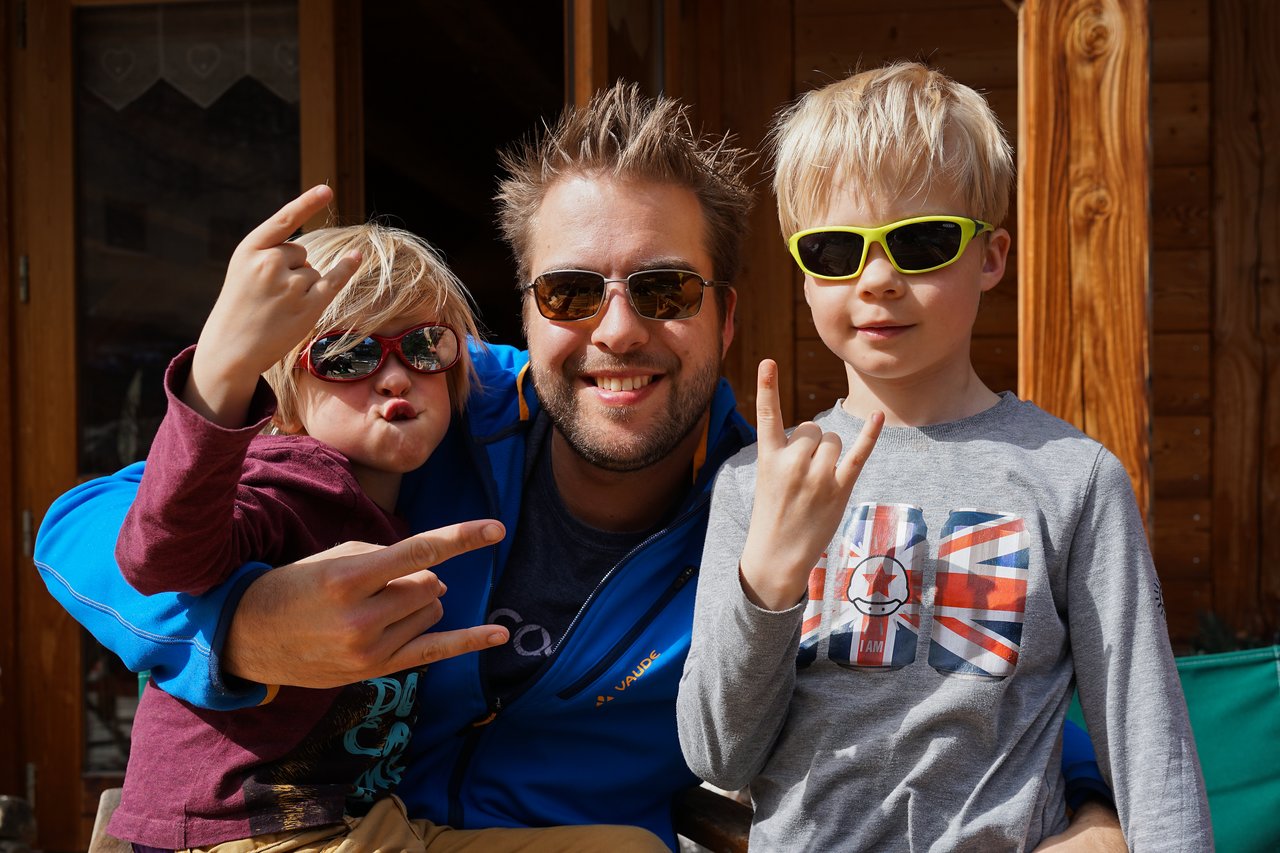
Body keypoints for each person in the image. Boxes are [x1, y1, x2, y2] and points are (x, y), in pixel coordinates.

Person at [35, 83, 1123, 851]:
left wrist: (1083, 808)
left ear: (724, 311)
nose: (615, 332)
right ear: (523, 313)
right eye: (569, 293)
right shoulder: (424, 402)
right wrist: (239, 632)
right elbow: (82, 528)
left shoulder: (786, 505)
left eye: (662, 291)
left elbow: (965, 672)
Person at [675, 62, 1211, 850]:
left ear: (991, 257)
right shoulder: (758, 482)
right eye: (834, 249)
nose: (878, 280)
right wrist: (770, 581)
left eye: (921, 243)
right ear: (802, 270)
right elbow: (717, 753)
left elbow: (1148, 739)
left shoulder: (1074, 478)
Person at [106, 206, 663, 852]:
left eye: (426, 346)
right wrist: (222, 377)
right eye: (347, 353)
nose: (395, 374)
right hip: (246, 832)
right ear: (284, 395)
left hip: (367, 823)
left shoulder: (400, 500)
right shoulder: (288, 479)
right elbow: (162, 557)